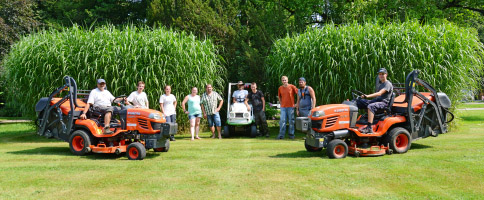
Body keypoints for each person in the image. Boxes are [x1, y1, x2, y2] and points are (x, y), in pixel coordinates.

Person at [356, 68, 393, 134]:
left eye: (382, 74)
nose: (381, 76)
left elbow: (379, 93)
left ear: (386, 75)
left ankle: (369, 128)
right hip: (377, 100)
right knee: (359, 102)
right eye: (380, 74)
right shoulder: (381, 84)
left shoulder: (387, 84)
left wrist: (367, 96)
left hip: (384, 103)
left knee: (371, 106)